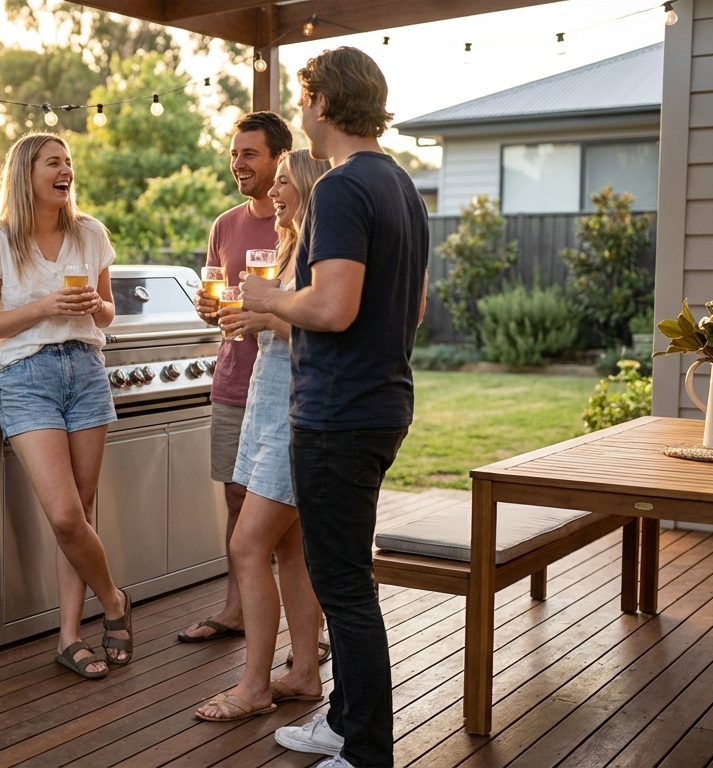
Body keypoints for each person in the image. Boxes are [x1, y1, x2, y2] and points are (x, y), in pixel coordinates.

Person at [244, 48, 428, 768]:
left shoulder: (346, 188)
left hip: (338, 414)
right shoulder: (400, 185)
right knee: (342, 570)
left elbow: (332, 305)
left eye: (304, 95)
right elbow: (410, 307)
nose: (302, 109)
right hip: (380, 402)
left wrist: (267, 299)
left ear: (322, 103)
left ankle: (367, 751)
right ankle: (344, 719)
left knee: (343, 585)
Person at [0, 132, 133, 680]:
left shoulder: (90, 234)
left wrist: (95, 305)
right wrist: (45, 306)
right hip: (27, 378)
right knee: (64, 515)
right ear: (26, 174)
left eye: (69, 163)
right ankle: (114, 601)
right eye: (53, 163)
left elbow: (107, 314)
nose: (66, 170)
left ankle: (68, 636)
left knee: (81, 514)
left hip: (85, 371)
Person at [195, 149, 330, 722]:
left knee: (247, 544)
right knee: (289, 548)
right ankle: (301, 673)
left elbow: (329, 336)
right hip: (265, 406)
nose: (272, 194)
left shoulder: (320, 254)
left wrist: (268, 318)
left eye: (282, 185)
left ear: (306, 190)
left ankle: (252, 686)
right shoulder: (287, 247)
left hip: (293, 416)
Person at [178, 111, 291, 645]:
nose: (237, 163)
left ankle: (300, 624)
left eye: (249, 154)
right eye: (233, 153)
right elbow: (218, 301)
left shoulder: (297, 221)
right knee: (236, 498)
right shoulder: (224, 225)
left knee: (288, 510)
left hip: (284, 385)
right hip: (231, 380)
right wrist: (208, 307)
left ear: (278, 158)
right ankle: (235, 606)